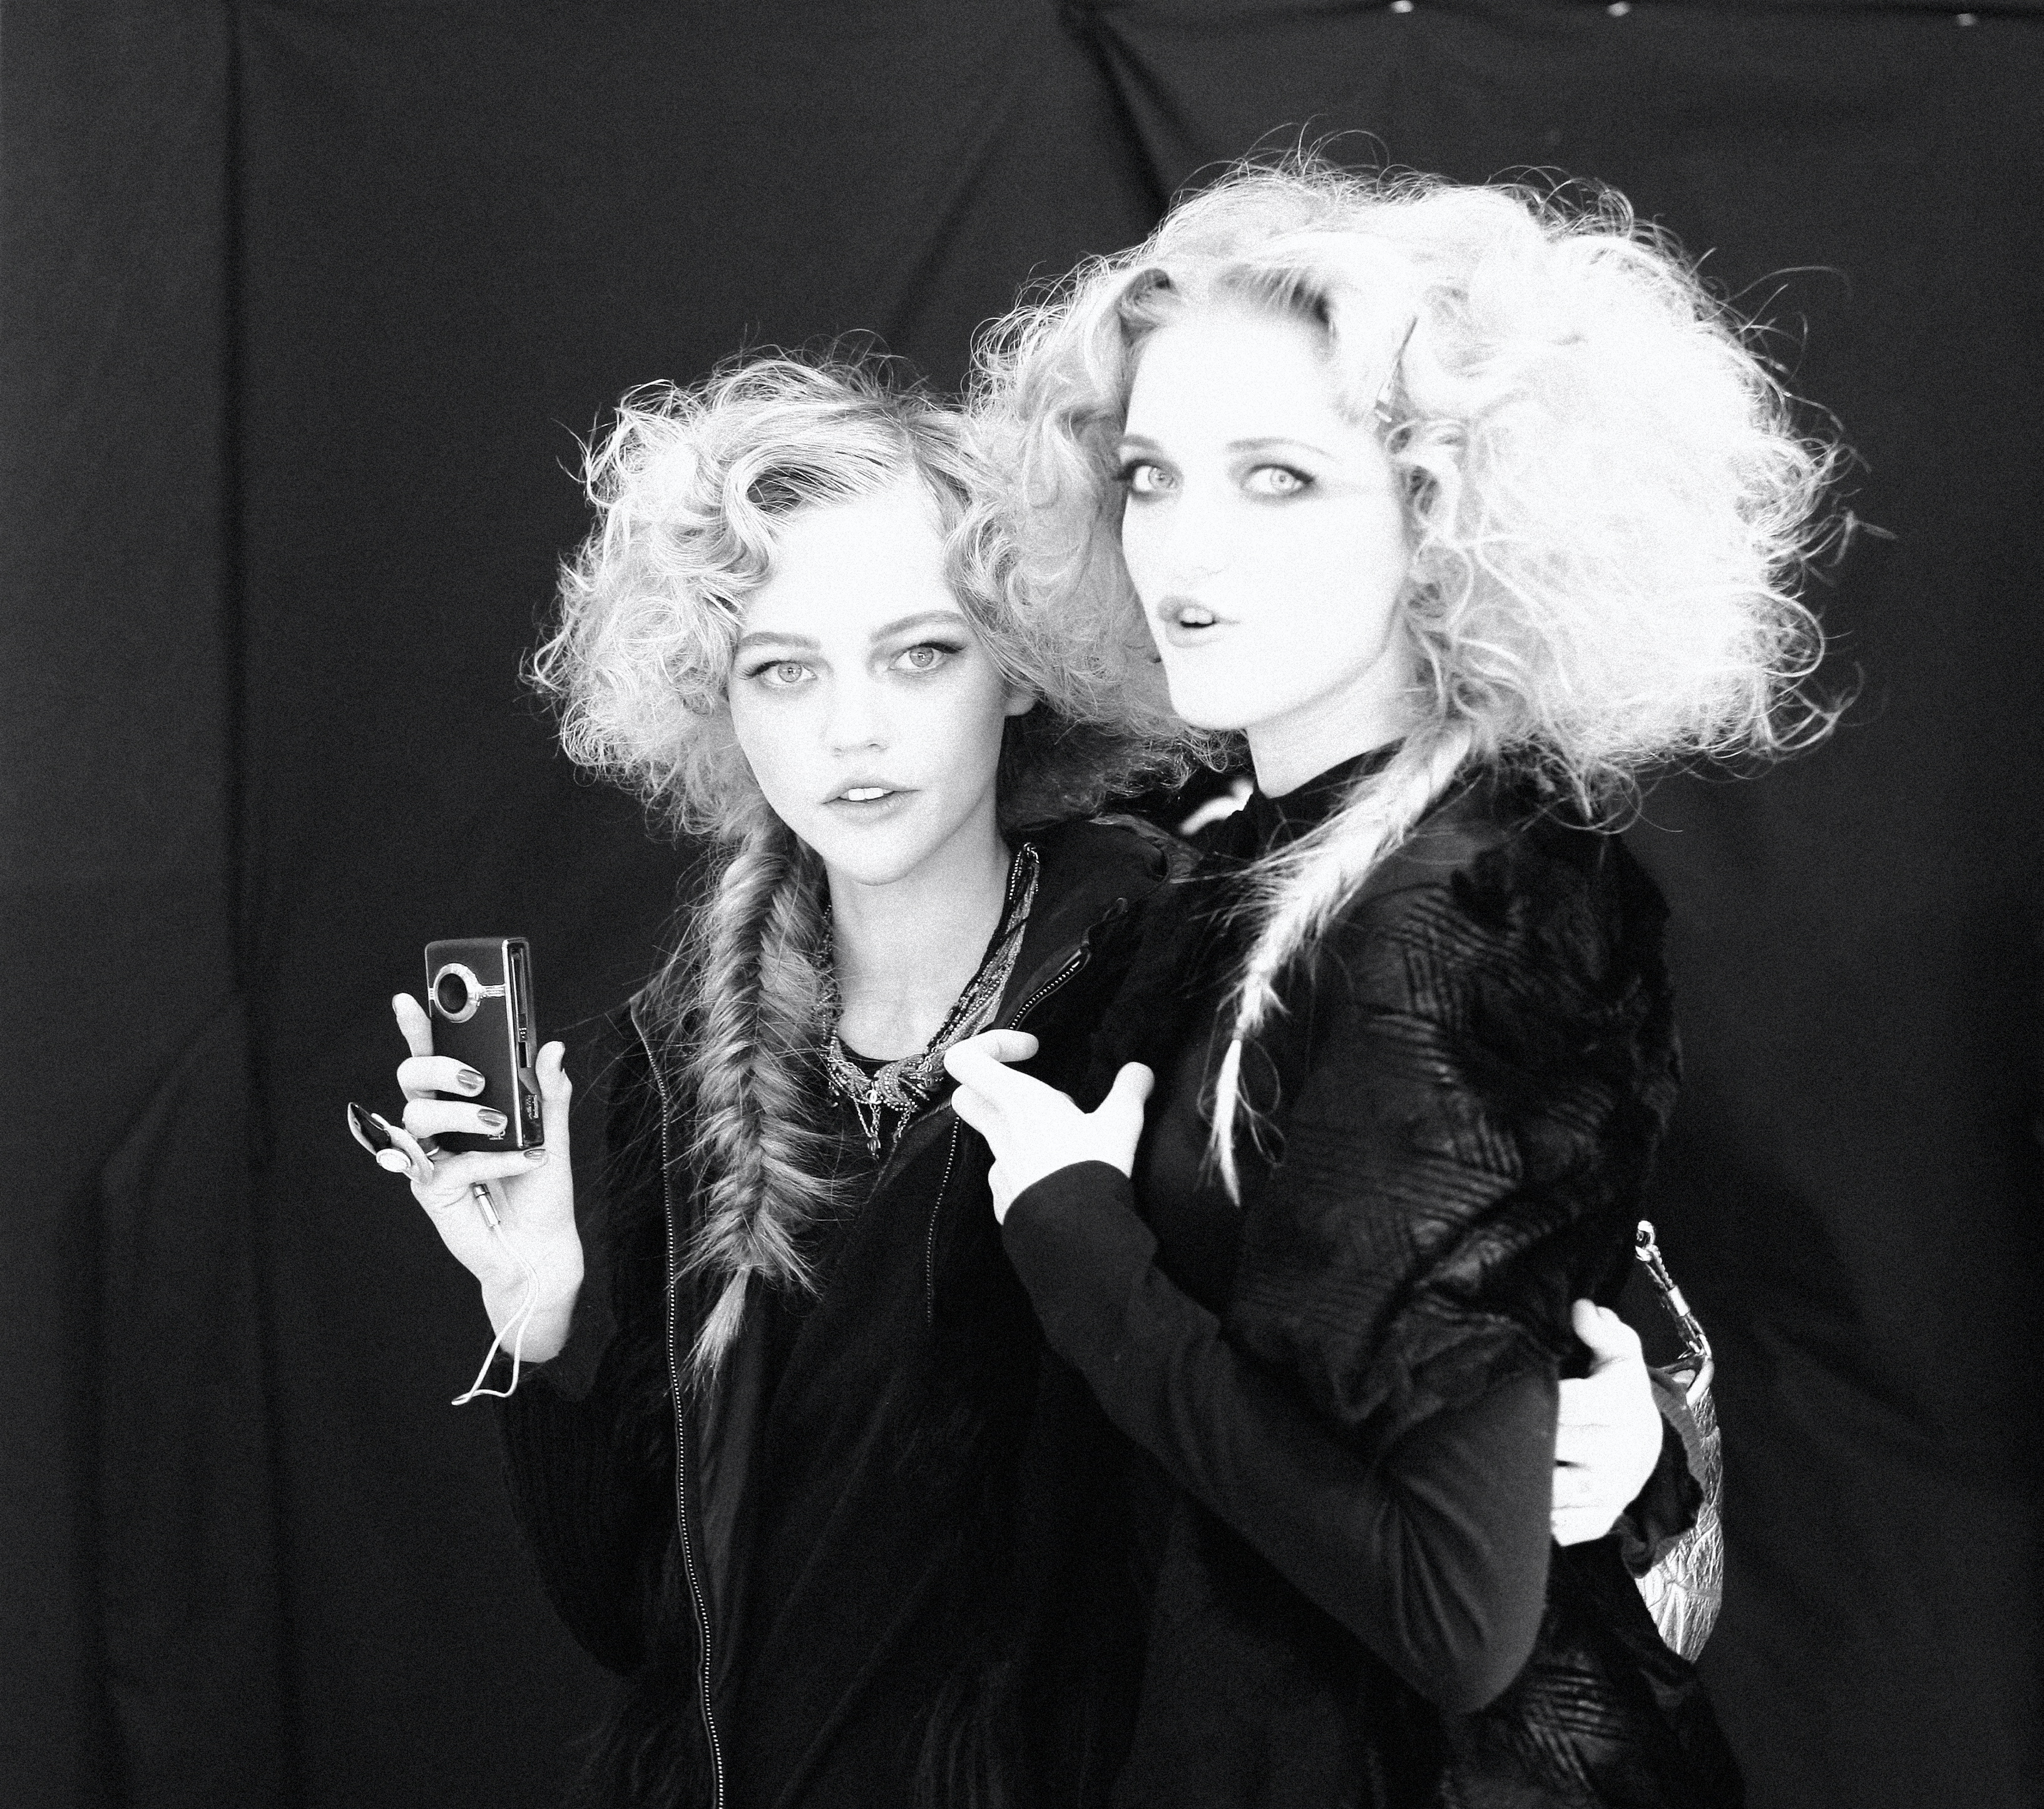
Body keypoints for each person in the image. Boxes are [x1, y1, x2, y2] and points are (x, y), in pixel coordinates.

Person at [354, 354, 1680, 1808]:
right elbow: (636, 1624)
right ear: (714, 699)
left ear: (1019, 662)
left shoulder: (1196, 977)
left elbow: (1470, 1345)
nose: (852, 730)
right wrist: (538, 1319)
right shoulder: (673, 1066)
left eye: (919, 654)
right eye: (783, 669)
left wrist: (1628, 1448)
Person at [948, 163, 1832, 1805]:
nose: (1185, 546)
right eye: (1150, 476)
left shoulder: (1465, 904)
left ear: (1443, 517)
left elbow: (1452, 1614)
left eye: (1278, 479)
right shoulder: (1245, 841)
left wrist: (1082, 1252)